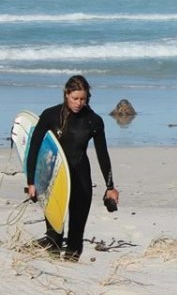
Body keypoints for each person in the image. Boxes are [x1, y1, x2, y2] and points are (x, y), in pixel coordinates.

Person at [26, 75, 119, 261]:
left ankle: (72, 273)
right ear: (66, 94)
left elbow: (103, 155)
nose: (78, 103)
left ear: (88, 98)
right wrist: (31, 182)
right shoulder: (50, 115)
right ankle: (53, 275)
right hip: (54, 180)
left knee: (76, 238)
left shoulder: (94, 121)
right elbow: (34, 148)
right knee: (54, 237)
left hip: (81, 180)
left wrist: (110, 187)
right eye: (74, 98)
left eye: (82, 99)